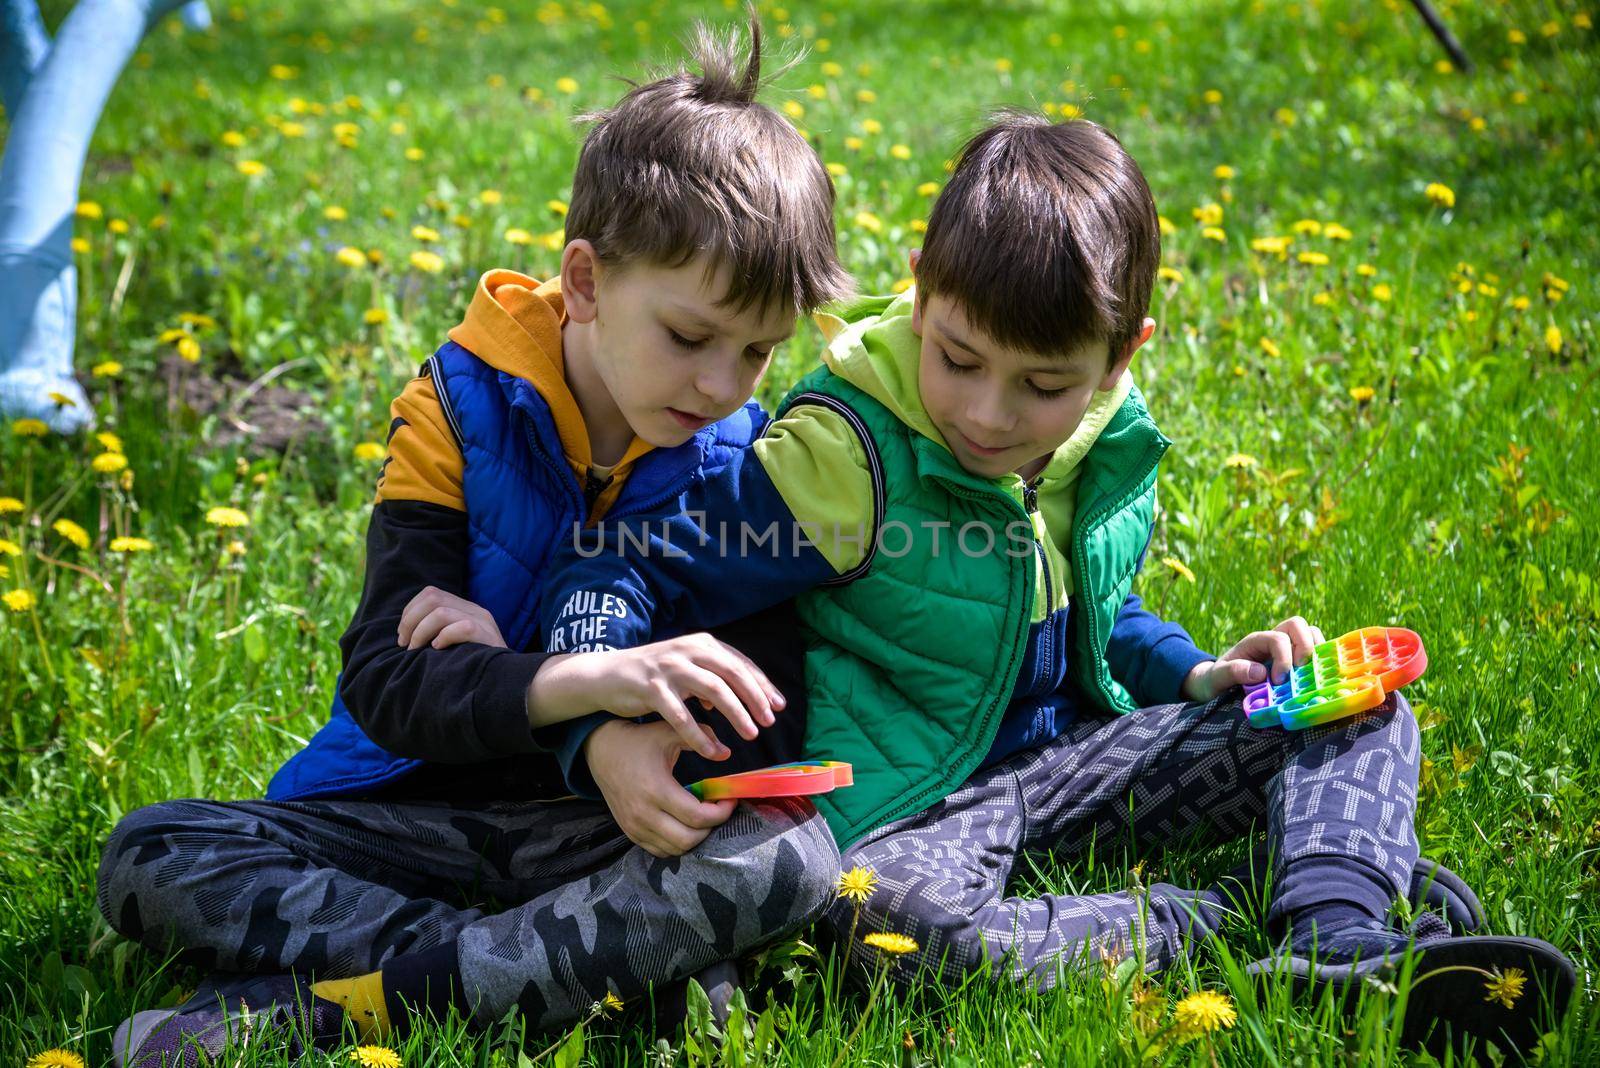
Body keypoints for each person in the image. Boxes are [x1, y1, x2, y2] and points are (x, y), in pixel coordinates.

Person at [526, 113, 1577, 1055]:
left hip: (1074, 763)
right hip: (911, 816)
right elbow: (621, 561)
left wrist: (1200, 671)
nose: (987, 415)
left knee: (1358, 700)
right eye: (957, 357)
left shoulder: (1099, 444)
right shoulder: (843, 461)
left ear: (1121, 357)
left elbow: (1091, 618)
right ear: (923, 294)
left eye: (1041, 385)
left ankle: (1340, 942)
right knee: (883, 929)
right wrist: (596, 720)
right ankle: (1222, 926)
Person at [94, 16, 852, 1066]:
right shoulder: (457, 410)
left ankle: (317, 1011)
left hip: (592, 834)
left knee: (790, 860)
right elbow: (389, 685)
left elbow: (756, 714)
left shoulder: (748, 462)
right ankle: (591, 980)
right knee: (155, 849)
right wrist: (576, 683)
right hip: (400, 812)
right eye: (688, 337)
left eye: (758, 351)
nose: (723, 386)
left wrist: (603, 729)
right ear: (584, 283)